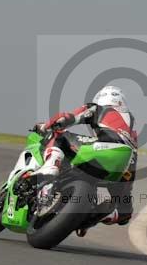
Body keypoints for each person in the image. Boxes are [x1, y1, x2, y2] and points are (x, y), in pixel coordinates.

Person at [28, 85, 137, 228]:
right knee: (124, 211)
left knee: (60, 135)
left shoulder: (98, 108)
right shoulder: (131, 124)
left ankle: (51, 167)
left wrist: (46, 126)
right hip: (125, 163)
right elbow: (132, 155)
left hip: (104, 148)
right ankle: (87, 218)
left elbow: (67, 117)